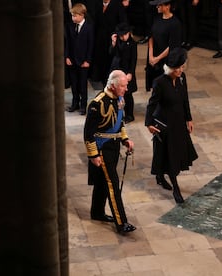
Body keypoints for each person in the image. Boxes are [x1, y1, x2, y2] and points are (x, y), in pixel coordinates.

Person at [84, 70, 136, 234]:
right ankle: (122, 223)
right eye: (122, 86)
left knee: (102, 182)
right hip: (102, 149)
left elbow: (119, 122)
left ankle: (97, 212)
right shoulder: (97, 104)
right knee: (113, 185)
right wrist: (93, 155)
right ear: (113, 86)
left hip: (113, 149)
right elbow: (88, 133)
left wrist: (125, 139)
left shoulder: (119, 99)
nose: (125, 89)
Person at [145, 47, 198, 204]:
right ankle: (176, 188)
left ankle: (160, 176)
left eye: (182, 67)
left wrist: (189, 119)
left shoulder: (182, 78)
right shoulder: (160, 82)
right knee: (170, 157)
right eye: (178, 68)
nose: (181, 70)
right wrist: (148, 123)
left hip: (179, 123)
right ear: (170, 68)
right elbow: (151, 104)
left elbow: (185, 100)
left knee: (172, 154)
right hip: (164, 124)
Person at [145, 0, 182, 92]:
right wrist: (150, 56)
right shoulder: (156, 18)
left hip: (165, 60)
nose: (157, 7)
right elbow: (151, 37)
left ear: (167, 6)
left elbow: (172, 45)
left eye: (160, 5)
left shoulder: (175, 23)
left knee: (164, 87)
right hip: (153, 57)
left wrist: (157, 58)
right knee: (154, 85)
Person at [65, 3, 94, 115]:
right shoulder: (71, 26)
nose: (73, 18)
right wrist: (67, 56)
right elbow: (68, 43)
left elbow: (90, 45)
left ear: (82, 15)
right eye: (72, 16)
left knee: (82, 85)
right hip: (72, 60)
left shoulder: (89, 27)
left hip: (83, 62)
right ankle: (74, 103)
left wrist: (88, 60)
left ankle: (83, 106)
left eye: (75, 16)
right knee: (74, 84)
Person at [109, 22, 138, 123]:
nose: (123, 37)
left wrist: (130, 72)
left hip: (126, 70)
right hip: (116, 69)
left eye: (125, 35)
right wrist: (113, 43)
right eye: (121, 35)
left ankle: (130, 115)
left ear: (129, 33)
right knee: (116, 93)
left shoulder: (133, 44)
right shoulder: (117, 41)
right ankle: (117, 113)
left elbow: (133, 60)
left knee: (127, 94)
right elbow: (111, 54)